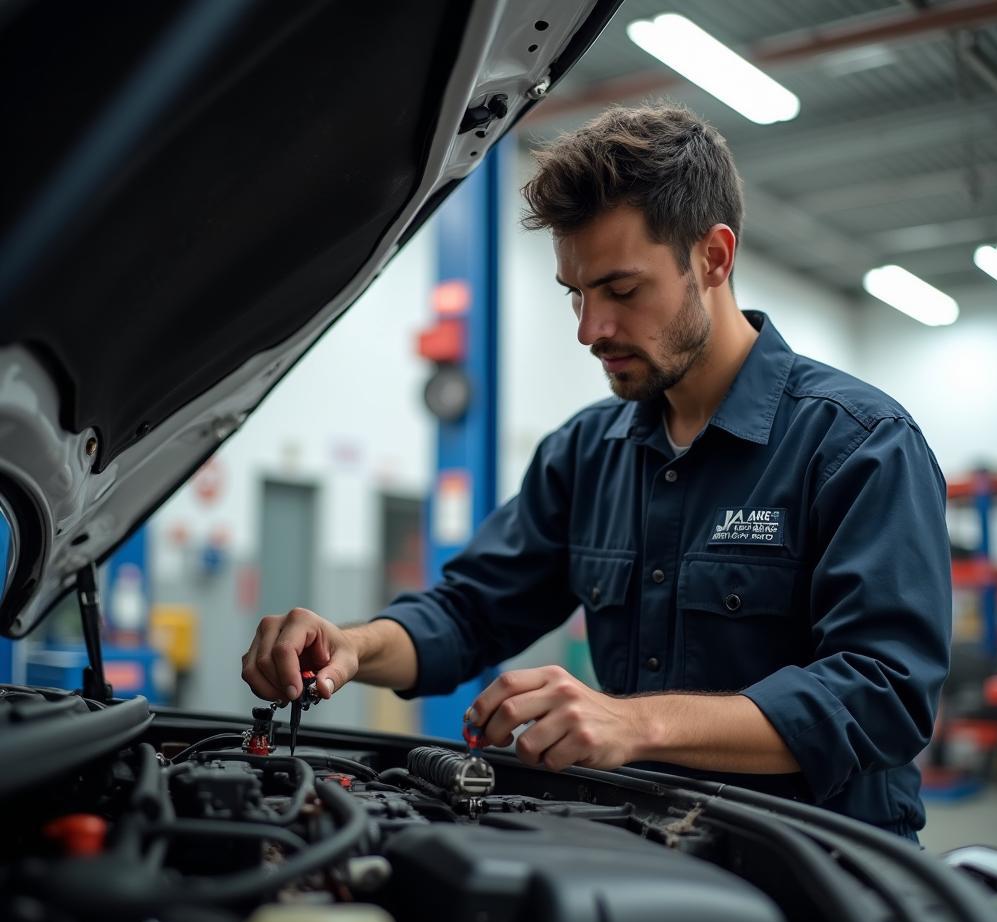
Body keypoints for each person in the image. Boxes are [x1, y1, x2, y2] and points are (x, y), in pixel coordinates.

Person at [241, 104, 951, 839]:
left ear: (713, 257)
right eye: (575, 294)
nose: (590, 330)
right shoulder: (588, 453)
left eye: (620, 290)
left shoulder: (857, 445)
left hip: (822, 879)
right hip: (647, 855)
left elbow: (881, 697)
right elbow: (468, 611)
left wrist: (638, 723)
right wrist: (356, 646)